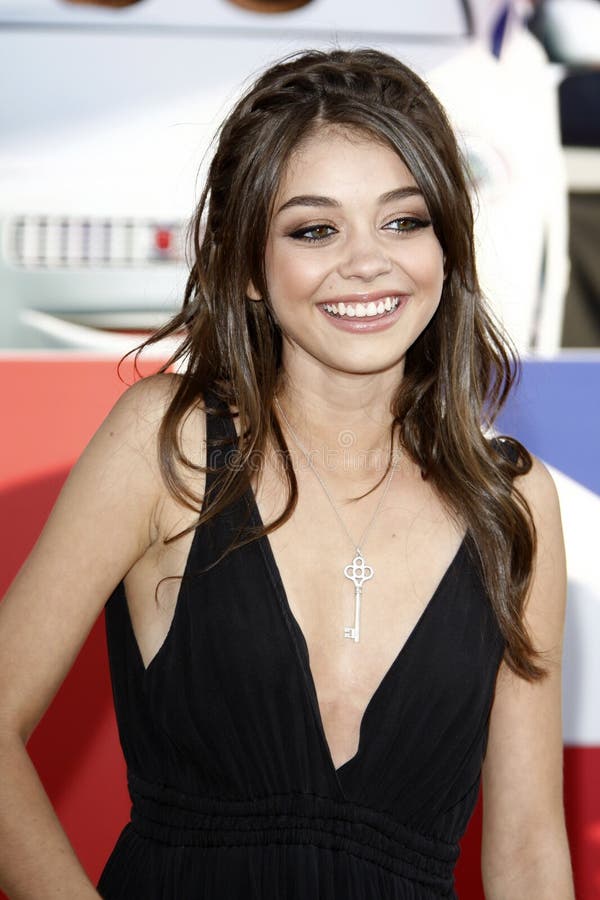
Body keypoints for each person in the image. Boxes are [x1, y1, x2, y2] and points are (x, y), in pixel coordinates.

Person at [0, 48, 574, 899]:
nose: (367, 262)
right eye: (314, 230)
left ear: (449, 245)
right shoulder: (169, 443)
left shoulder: (513, 503)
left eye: (404, 221)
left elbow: (527, 851)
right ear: (247, 267)